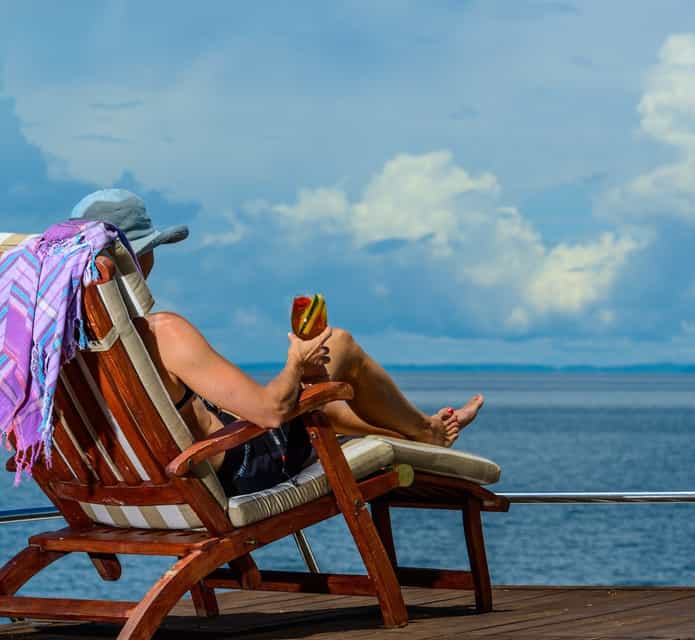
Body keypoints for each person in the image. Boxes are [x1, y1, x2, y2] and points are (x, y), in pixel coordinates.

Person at [71, 189, 484, 497]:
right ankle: (426, 431)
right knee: (338, 348)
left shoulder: (55, 349)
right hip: (238, 469)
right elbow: (271, 413)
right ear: (136, 259)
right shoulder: (163, 334)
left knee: (315, 405)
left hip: (131, 485)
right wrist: (295, 362)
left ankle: (423, 430)